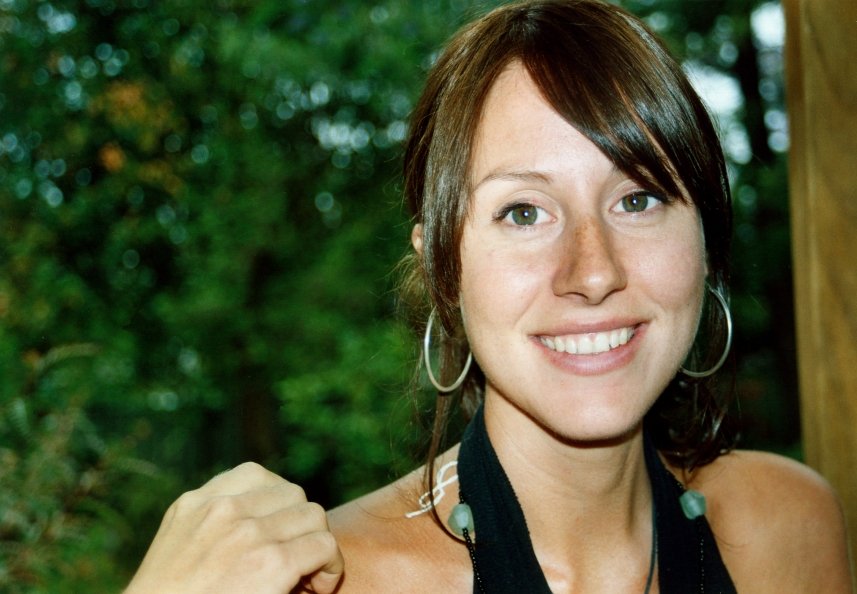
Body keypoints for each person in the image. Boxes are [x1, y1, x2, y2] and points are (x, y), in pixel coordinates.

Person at [124, 1, 853, 592]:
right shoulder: (332, 582)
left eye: (637, 200)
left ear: (705, 245)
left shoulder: (785, 527)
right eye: (523, 213)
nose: (592, 272)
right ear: (444, 268)